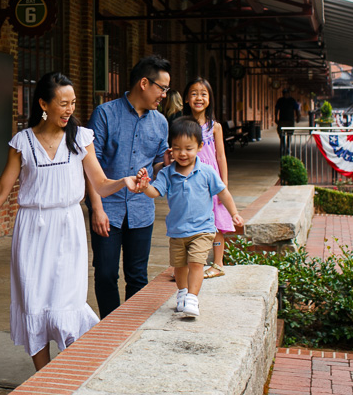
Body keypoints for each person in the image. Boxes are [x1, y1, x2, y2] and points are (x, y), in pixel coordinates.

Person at [0, 72, 139, 371]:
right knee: (34, 303)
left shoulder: (81, 137)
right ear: (43, 104)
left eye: (73, 103)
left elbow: (99, 184)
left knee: (67, 305)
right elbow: (1, 191)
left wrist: (124, 181)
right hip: (32, 231)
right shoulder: (22, 142)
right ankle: (45, 378)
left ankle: (71, 373)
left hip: (68, 227)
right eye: (63, 103)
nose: (69, 110)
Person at [86, 55, 171, 318]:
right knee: (107, 273)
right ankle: (109, 328)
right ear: (144, 83)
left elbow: (157, 164)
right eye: (162, 88)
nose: (165, 95)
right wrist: (97, 209)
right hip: (107, 210)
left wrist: (162, 166)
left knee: (137, 276)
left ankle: (129, 330)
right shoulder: (105, 114)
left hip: (141, 210)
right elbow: (90, 166)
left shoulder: (161, 122)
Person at [133, 117, 244, 317]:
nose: (182, 153)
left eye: (188, 148)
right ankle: (183, 293)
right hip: (177, 231)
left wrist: (234, 213)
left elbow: (223, 193)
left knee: (196, 263)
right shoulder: (167, 173)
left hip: (202, 229)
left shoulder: (207, 172)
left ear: (200, 147)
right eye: (177, 148)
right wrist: (144, 186)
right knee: (179, 266)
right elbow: (155, 192)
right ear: (171, 149)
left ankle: (193, 297)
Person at [183, 77, 232, 279]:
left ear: (210, 99)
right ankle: (191, 265)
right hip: (190, 181)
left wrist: (224, 186)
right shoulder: (182, 125)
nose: (199, 98)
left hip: (211, 181)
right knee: (190, 221)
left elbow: (221, 156)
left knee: (216, 222)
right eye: (194, 93)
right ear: (186, 98)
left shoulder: (215, 127)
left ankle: (218, 263)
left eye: (203, 94)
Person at [275, 88, 301, 154]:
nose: (286, 95)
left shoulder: (292, 100)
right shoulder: (280, 100)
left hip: (290, 120)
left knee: (289, 134)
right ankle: (282, 144)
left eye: (287, 93)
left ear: (289, 94)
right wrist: (275, 118)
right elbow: (276, 109)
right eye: (284, 93)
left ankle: (288, 147)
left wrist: (298, 117)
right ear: (283, 94)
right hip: (282, 120)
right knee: (281, 133)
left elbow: (297, 109)